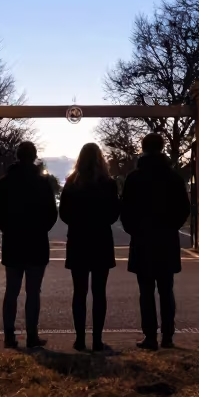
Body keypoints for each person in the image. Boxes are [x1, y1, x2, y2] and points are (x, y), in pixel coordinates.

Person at [120, 132, 191, 350]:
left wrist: (134, 229)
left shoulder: (134, 178)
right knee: (166, 290)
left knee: (146, 292)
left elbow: (125, 210)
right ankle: (168, 336)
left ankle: (150, 336)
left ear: (143, 148)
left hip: (143, 240)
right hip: (166, 239)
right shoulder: (174, 178)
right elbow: (184, 209)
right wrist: (171, 226)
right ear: (162, 148)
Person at [0, 141, 59, 349]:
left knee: (11, 290)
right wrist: (41, 228)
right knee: (33, 292)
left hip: (13, 241)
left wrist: (7, 228)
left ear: (17, 156)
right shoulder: (42, 183)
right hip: (36, 242)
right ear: (34, 156)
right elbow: (51, 214)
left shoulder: (4, 183)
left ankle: (9, 336)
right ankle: (32, 335)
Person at [59, 142, 121, 352]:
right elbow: (114, 213)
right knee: (99, 292)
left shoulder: (71, 183)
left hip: (78, 239)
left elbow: (64, 214)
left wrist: (79, 222)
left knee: (79, 292)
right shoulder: (108, 183)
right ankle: (97, 339)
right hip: (101, 239)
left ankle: (79, 339)